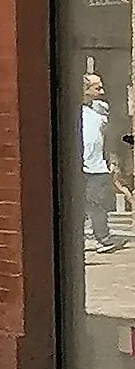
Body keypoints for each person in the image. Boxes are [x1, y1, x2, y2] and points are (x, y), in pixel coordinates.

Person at [83, 71, 117, 252]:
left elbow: (108, 135)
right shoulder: (70, 108)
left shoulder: (101, 108)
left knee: (97, 203)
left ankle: (103, 238)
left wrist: (112, 158)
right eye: (97, 88)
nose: (102, 91)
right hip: (77, 166)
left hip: (96, 166)